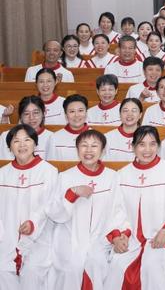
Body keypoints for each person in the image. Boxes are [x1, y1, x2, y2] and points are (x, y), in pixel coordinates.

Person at [46, 129, 129, 290]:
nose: (89, 150)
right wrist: (72, 193)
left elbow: (118, 210)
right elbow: (54, 212)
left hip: (101, 237)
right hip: (70, 236)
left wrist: (116, 236)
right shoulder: (66, 177)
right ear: (77, 150)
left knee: (97, 263)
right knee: (71, 267)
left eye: (94, 146)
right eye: (84, 146)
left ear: (103, 151)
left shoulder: (112, 177)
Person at [106, 126, 165, 290]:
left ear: (158, 146)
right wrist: (121, 235)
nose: (147, 150)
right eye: (142, 144)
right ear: (133, 147)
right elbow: (117, 210)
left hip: (161, 237)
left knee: (153, 266)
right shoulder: (123, 174)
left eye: (152, 144)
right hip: (132, 238)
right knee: (117, 266)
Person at [0, 124, 58, 289]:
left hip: (39, 237)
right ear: (10, 147)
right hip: (7, 236)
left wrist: (33, 223)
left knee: (31, 271)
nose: (22, 144)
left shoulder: (48, 171)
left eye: (27, 140)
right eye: (16, 141)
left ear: (35, 144)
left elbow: (49, 205)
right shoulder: (3, 174)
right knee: (3, 270)